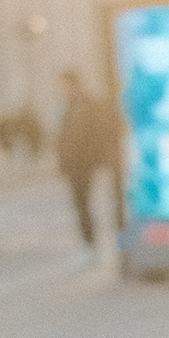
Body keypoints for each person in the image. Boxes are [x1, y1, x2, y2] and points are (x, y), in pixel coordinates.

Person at [54, 68, 117, 251]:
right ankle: (89, 242)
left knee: (83, 204)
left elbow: (78, 138)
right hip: (77, 165)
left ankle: (90, 244)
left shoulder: (81, 105)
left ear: (72, 84)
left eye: (63, 84)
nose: (61, 89)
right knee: (81, 204)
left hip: (81, 165)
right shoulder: (71, 105)